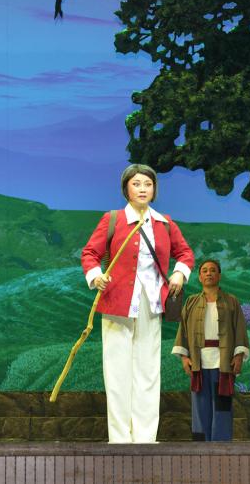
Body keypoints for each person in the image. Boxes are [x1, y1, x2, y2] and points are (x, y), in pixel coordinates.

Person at [81, 164, 194, 443]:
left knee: (148, 370)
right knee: (117, 371)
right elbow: (90, 253)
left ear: (154, 189)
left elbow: (185, 253)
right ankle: (119, 438)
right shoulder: (113, 219)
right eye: (136, 184)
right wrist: (96, 276)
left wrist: (179, 274)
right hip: (117, 303)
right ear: (126, 189)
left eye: (148, 184)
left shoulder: (164, 223)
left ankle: (145, 437)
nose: (143, 189)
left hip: (151, 303)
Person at [172, 259, 248, 442]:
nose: (208, 273)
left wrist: (238, 355)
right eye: (204, 270)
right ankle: (201, 446)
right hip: (199, 362)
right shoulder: (191, 302)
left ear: (219, 275)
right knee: (200, 406)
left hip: (223, 363)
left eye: (213, 270)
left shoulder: (231, 301)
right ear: (199, 277)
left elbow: (240, 330)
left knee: (222, 407)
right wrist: (184, 357)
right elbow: (183, 331)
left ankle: (221, 446)